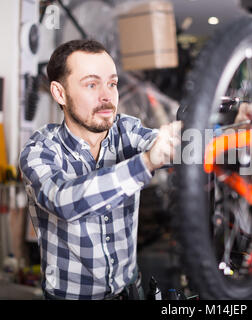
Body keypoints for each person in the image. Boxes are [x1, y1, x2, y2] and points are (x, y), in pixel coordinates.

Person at [19, 39, 181, 300]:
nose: (107, 96)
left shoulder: (126, 131)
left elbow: (183, 147)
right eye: (92, 84)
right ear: (60, 93)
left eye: (112, 83)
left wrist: (239, 132)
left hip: (131, 291)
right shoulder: (40, 149)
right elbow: (64, 200)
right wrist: (147, 162)